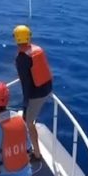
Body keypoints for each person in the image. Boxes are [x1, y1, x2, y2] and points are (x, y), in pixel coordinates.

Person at [13, 25, 53, 161]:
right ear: (29, 36)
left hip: (36, 94)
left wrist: (26, 102)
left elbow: (26, 83)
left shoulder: (22, 58)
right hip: (47, 89)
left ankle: (36, 154)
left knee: (29, 123)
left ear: (16, 39)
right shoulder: (37, 50)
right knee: (26, 118)